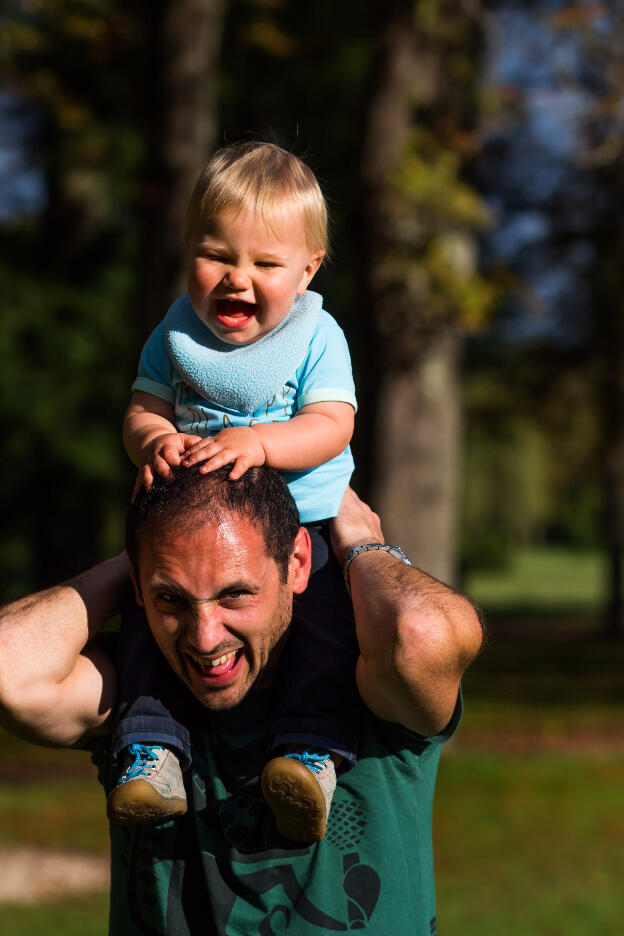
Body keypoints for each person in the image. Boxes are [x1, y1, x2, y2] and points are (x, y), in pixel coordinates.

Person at [0, 467, 483, 934]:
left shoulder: (368, 683)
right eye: (171, 598)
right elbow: (9, 669)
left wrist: (360, 545)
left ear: (295, 564)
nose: (205, 639)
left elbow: (423, 633)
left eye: (234, 595)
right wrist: (144, 553)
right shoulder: (139, 691)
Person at [117, 141, 360, 841]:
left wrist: (261, 444)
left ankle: (308, 757)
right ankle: (151, 754)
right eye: (217, 255)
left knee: (323, 638)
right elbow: (142, 407)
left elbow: (331, 424)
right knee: (147, 631)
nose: (236, 279)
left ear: (308, 269)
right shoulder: (175, 333)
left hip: (300, 534)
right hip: (187, 535)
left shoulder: (317, 337)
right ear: (189, 247)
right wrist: (154, 440)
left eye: (264, 264)